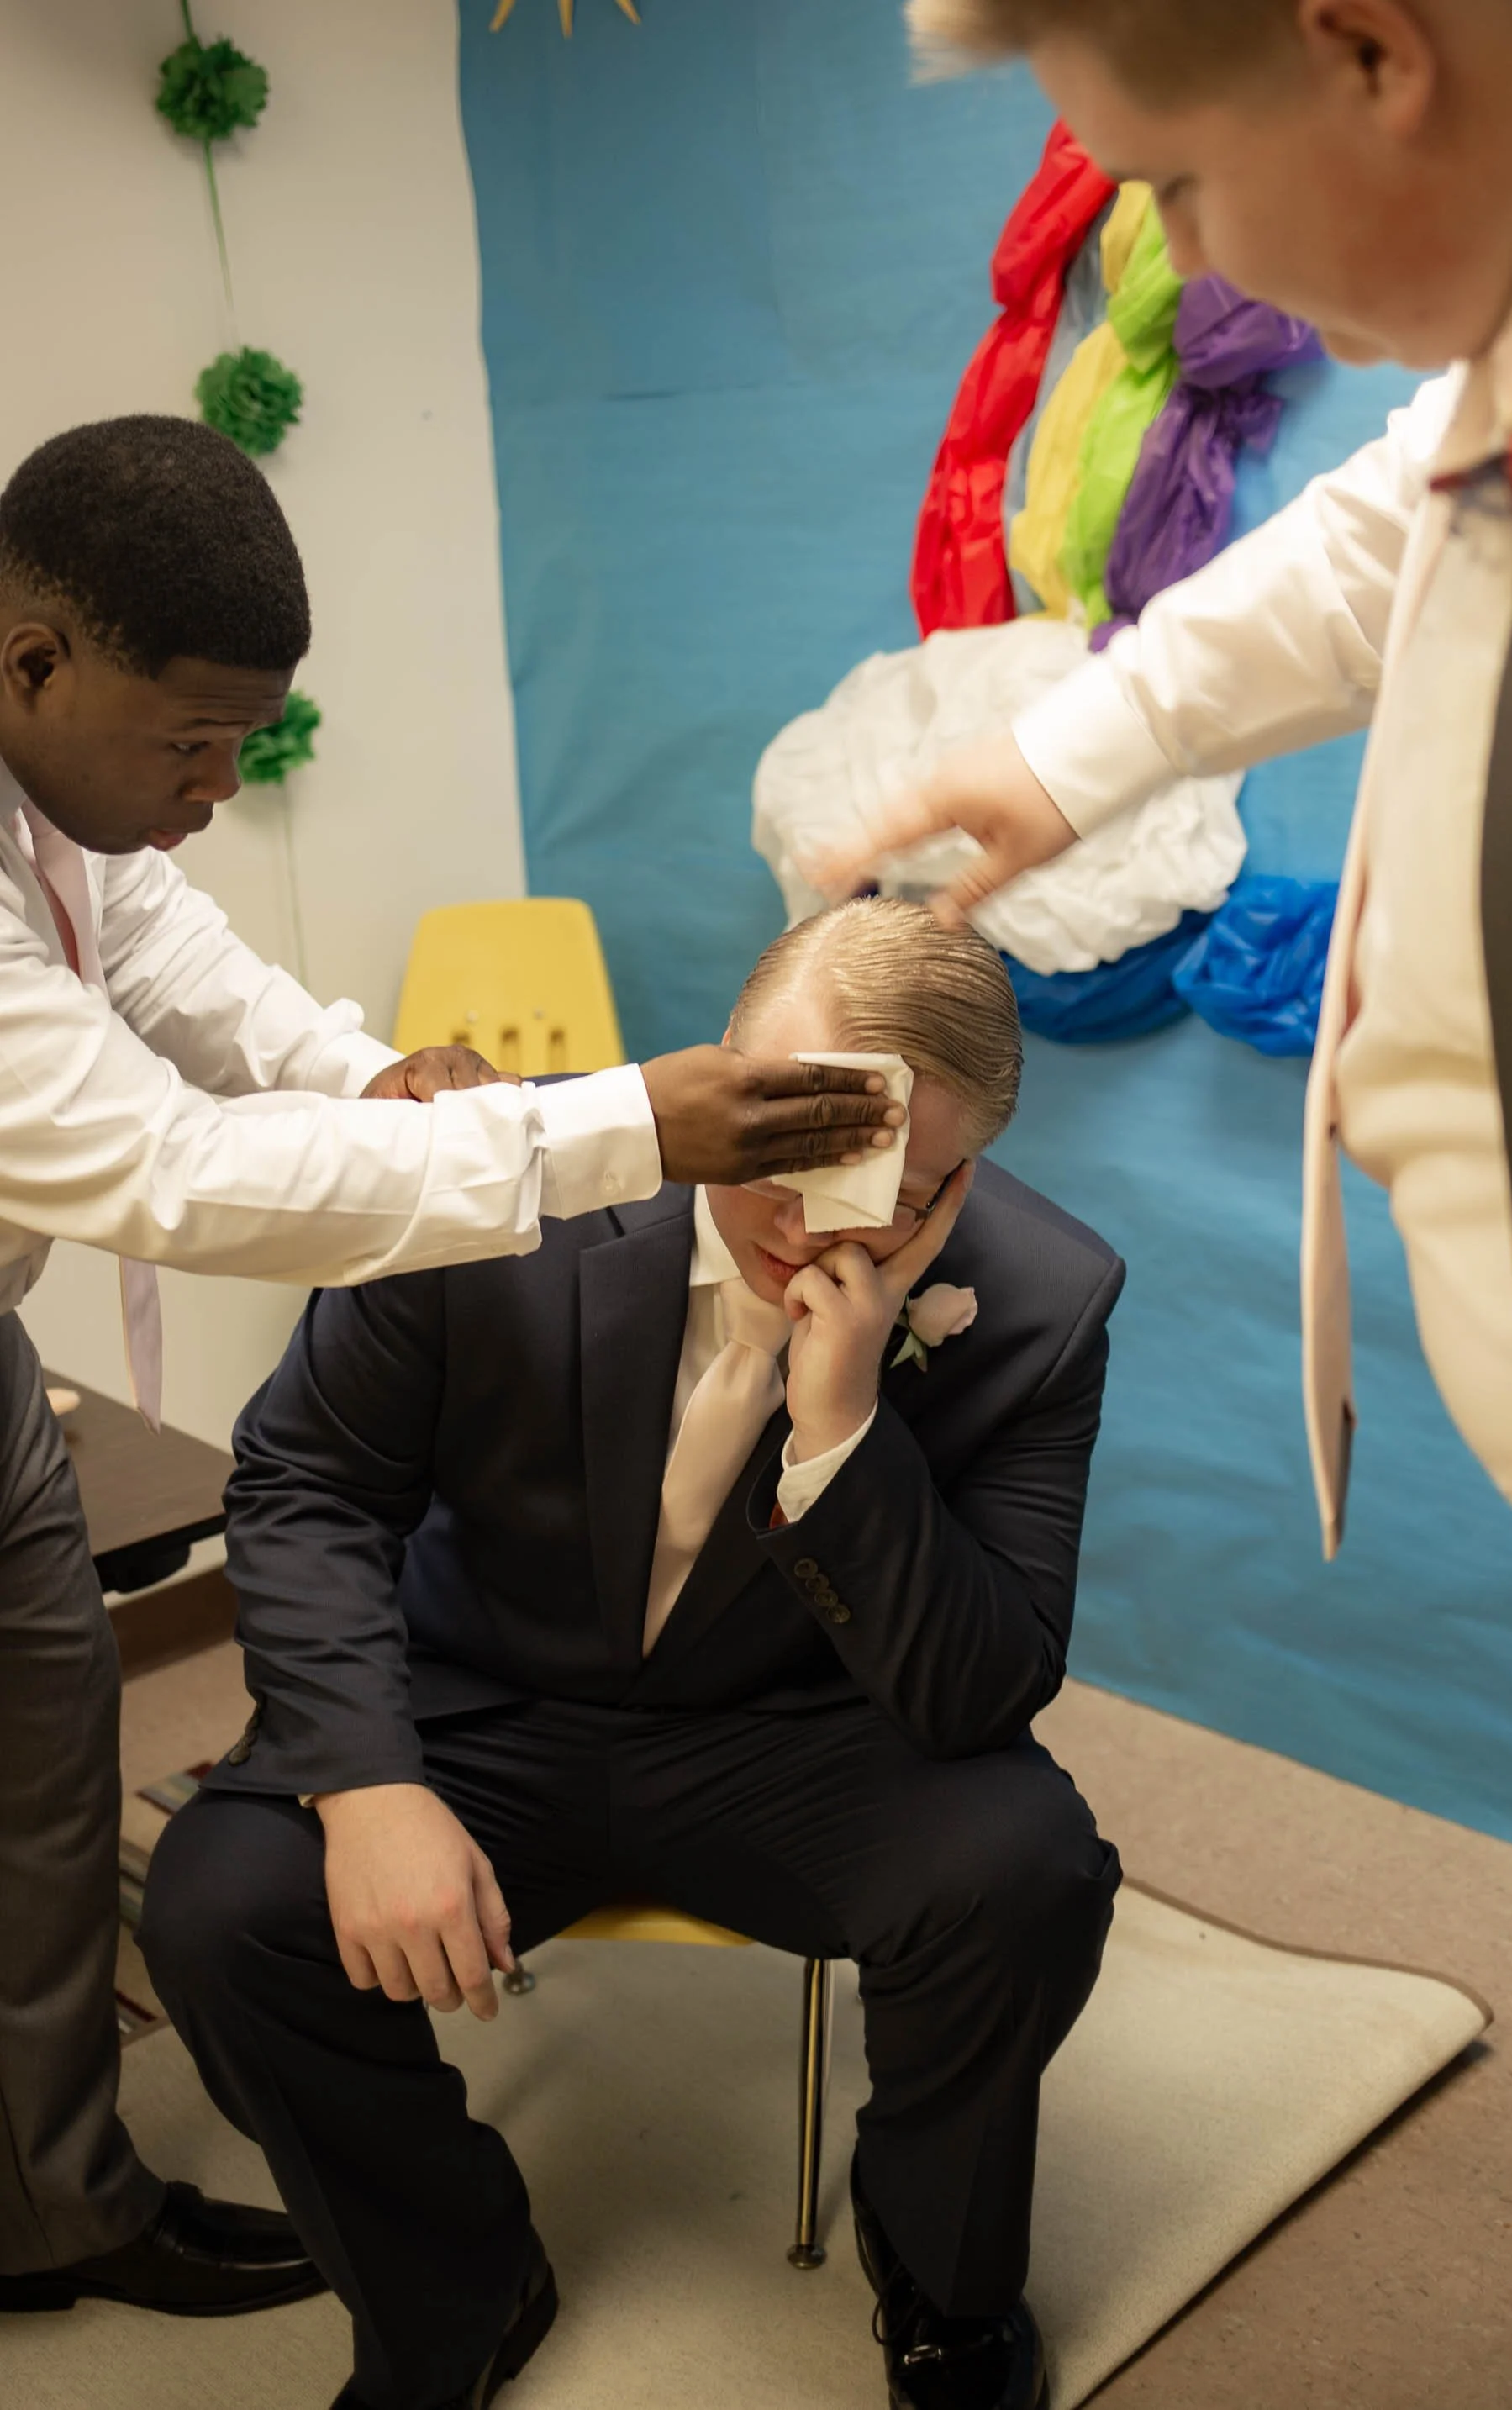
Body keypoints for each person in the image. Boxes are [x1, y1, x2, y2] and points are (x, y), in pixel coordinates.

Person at [821, 2, 1512, 2399]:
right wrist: (1066, 751)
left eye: (1180, 185)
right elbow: (1382, 533)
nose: (1194, 255)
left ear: (1366, 52)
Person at [0, 415, 900, 2324]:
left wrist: (377, 1076)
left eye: (246, 744)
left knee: (44, 1774)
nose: (219, 792)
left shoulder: (76, 797)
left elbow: (188, 978)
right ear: (32, 663)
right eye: (193, 744)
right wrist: (613, 1126)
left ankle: (49, 2199)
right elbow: (167, 1170)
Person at [140, 896, 1125, 2410]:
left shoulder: (1044, 1300)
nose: (805, 1227)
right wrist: (366, 1784)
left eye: (873, 1187)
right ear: (722, 1074)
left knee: (1028, 1869)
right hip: (486, 1698)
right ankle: (457, 2279)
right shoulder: (494, 1176)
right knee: (222, 1910)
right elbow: (308, 1482)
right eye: (776, 1154)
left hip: (799, 1729)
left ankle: (943, 2278)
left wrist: (845, 1431)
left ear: (957, 1182)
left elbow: (983, 1688)